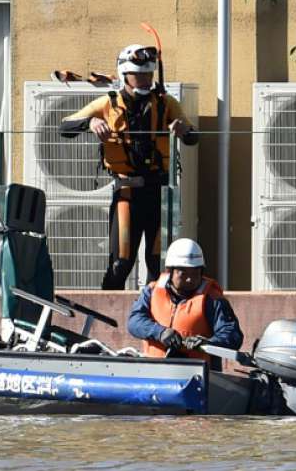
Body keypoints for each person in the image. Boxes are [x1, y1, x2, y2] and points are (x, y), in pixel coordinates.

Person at [59, 43, 199, 289]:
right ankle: (107, 320)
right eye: (139, 74)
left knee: (159, 264)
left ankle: (153, 319)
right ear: (124, 74)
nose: (146, 79)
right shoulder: (108, 103)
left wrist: (183, 129)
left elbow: (193, 136)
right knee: (120, 263)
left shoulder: (166, 103)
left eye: (149, 74)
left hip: (160, 192)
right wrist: (90, 122)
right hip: (127, 193)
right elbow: (65, 126)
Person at [126, 238, 243, 369]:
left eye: (195, 273)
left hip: (197, 377)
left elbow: (233, 335)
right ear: (169, 271)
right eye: (183, 273)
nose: (189, 279)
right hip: (154, 374)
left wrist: (208, 343)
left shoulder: (213, 299)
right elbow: (134, 321)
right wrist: (160, 332)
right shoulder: (152, 291)